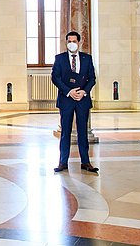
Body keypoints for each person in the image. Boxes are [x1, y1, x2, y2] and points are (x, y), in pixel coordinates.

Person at [51, 31, 99, 173]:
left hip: (82, 99)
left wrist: (84, 91)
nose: (71, 43)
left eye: (74, 41)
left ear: (79, 42)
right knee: (65, 131)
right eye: (69, 41)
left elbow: (92, 78)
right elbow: (55, 78)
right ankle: (62, 162)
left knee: (82, 131)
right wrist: (69, 91)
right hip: (66, 99)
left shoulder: (87, 58)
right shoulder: (59, 59)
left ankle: (86, 162)